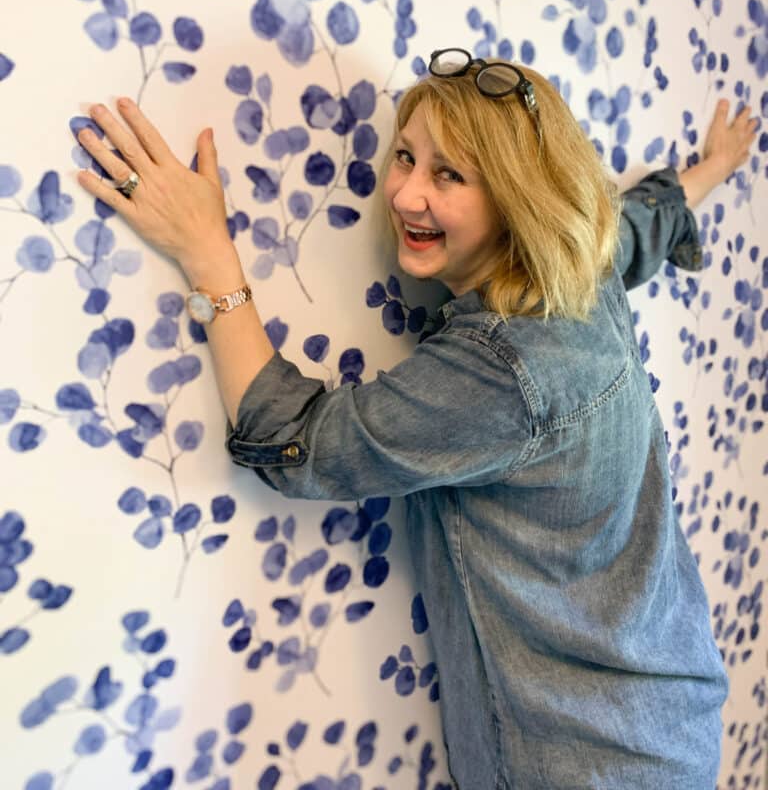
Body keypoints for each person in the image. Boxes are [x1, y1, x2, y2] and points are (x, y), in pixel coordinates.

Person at [74, 50, 758, 789]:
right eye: (405, 156)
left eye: (449, 175)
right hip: (674, 724)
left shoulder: (499, 369)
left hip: (584, 763)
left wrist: (208, 252)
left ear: (518, 197)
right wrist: (713, 168)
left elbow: (294, 441)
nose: (404, 194)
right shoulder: (582, 266)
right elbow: (640, 226)